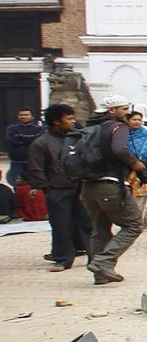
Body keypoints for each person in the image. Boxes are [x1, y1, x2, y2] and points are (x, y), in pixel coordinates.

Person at [75, 93, 147, 284]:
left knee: (100, 230)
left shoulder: (91, 127)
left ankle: (100, 275)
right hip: (110, 185)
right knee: (134, 224)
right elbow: (119, 149)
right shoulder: (118, 127)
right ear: (112, 111)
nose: (127, 113)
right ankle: (103, 262)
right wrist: (136, 164)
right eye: (124, 109)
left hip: (88, 186)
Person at [25, 104, 82, 270]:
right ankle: (63, 258)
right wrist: (47, 188)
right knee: (61, 225)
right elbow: (36, 168)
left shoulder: (77, 138)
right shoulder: (41, 143)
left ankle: (94, 258)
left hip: (80, 188)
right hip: (57, 190)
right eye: (69, 118)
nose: (73, 121)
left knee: (86, 224)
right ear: (57, 121)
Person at [7, 107, 45, 188]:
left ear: (32, 117)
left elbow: (38, 140)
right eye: (21, 115)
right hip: (16, 162)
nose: (23, 116)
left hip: (33, 162)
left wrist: (19, 137)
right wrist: (30, 140)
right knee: (16, 185)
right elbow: (11, 140)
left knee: (35, 185)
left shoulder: (39, 129)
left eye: (26, 115)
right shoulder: (11, 128)